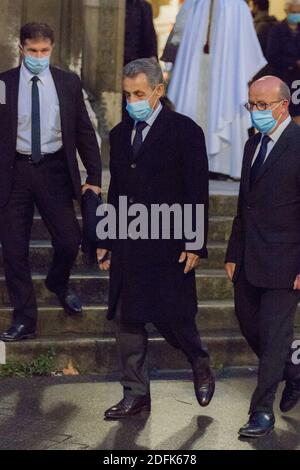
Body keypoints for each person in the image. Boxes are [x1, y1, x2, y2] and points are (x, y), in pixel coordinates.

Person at [97, 58, 215, 419]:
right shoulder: (119, 135)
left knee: (174, 318)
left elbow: (197, 190)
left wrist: (195, 242)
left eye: (139, 93)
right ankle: (136, 393)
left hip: (169, 242)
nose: (132, 99)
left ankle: (199, 361)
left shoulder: (185, 131)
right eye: (127, 93)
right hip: (130, 240)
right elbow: (115, 188)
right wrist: (107, 237)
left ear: (158, 91)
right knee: (127, 319)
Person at [0, 23, 102, 342]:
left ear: (52, 49)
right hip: (14, 171)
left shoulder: (68, 83)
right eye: (33, 51)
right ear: (21, 48)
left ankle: (58, 281)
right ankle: (25, 318)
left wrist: (95, 178)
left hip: (55, 170)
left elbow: (85, 132)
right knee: (14, 249)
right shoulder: (4, 84)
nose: (39, 57)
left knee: (70, 240)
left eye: (44, 51)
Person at [225, 76, 300, 438]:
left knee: (273, 335)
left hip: (287, 261)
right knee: (249, 325)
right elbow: (244, 204)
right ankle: (295, 371)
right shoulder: (252, 145)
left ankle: (261, 411)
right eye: (250, 104)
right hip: (250, 258)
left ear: (282, 105)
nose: (254, 112)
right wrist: (233, 251)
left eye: (260, 105)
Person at [168, 0, 266, 179]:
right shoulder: (234, 6)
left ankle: (211, 165)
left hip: (214, 75)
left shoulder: (197, 4)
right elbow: (249, 52)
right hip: (218, 76)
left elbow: (178, 33)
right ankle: (218, 166)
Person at [267, 0, 300, 124]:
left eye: (299, 12)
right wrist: (294, 62)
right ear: (287, 11)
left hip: (297, 82)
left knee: (297, 114)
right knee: (280, 115)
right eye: (294, 12)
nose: (297, 14)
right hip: (281, 79)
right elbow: (272, 56)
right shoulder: (277, 30)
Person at [124, 0, 158, 65]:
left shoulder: (146, 7)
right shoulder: (117, 7)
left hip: (140, 61)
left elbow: (150, 35)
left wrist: (152, 56)